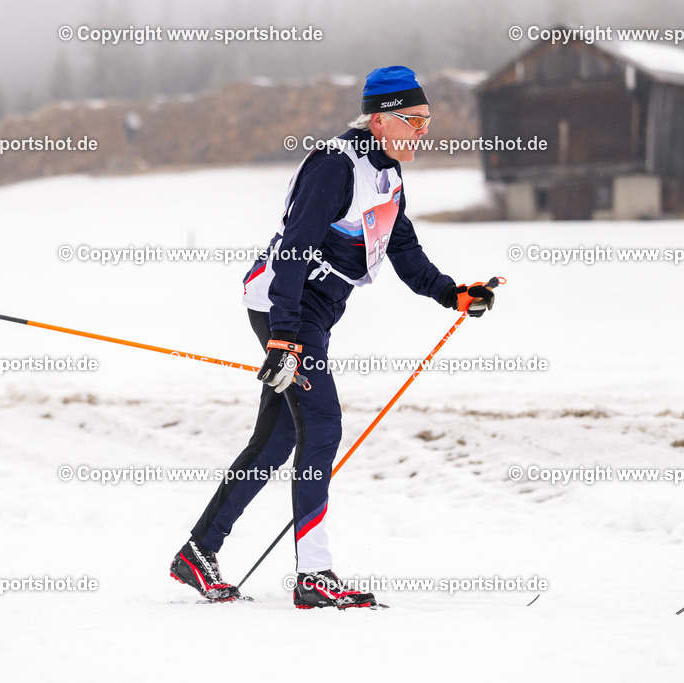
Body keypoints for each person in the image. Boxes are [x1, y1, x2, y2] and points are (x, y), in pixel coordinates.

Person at [169, 66, 497, 609]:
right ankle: (314, 575)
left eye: (426, 121)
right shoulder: (334, 167)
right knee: (322, 423)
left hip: (312, 313)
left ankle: (198, 553)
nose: (423, 131)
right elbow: (294, 249)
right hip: (285, 305)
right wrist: (284, 339)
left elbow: (405, 253)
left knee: (277, 441)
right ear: (382, 119)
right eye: (414, 121)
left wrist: (452, 295)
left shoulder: (388, 173)